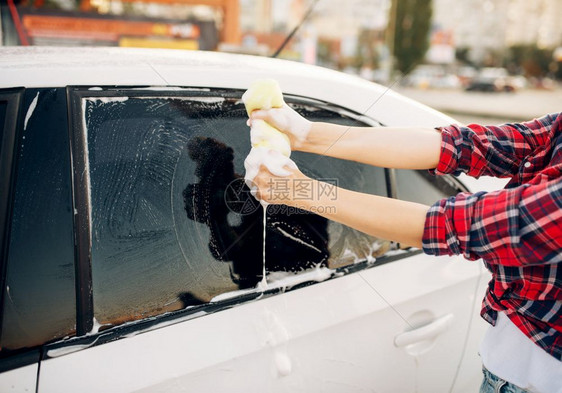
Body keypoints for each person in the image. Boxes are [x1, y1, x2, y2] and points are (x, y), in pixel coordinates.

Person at [247, 106, 562, 393]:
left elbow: (461, 225)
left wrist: (297, 190)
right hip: (509, 363)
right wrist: (306, 134)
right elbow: (472, 145)